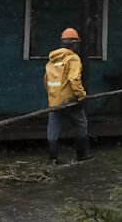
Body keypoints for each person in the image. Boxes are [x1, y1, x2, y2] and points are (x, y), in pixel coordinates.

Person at [44, 28, 93, 164]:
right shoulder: (73, 58)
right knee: (81, 123)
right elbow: (74, 79)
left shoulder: (52, 60)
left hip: (54, 100)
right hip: (69, 100)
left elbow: (46, 81)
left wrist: (54, 95)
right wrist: (81, 96)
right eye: (76, 43)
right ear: (74, 44)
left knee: (53, 128)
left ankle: (52, 157)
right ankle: (82, 154)